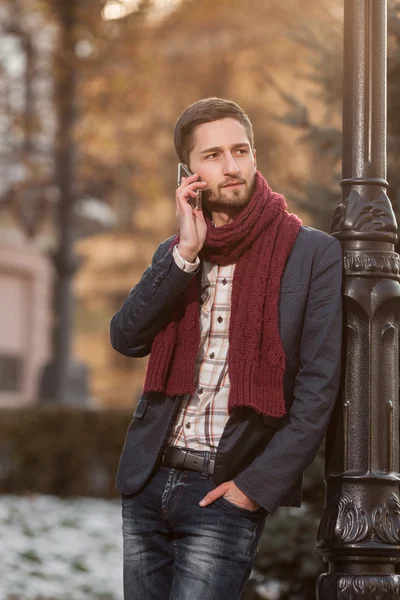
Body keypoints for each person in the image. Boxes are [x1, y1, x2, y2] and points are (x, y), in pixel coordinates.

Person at [110, 97, 343, 600]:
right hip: (149, 482)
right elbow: (126, 338)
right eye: (213, 155)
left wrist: (254, 489)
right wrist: (185, 256)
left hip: (224, 492)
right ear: (187, 171)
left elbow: (318, 389)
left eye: (240, 150)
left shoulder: (312, 255)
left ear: (255, 155)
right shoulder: (177, 251)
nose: (231, 166)